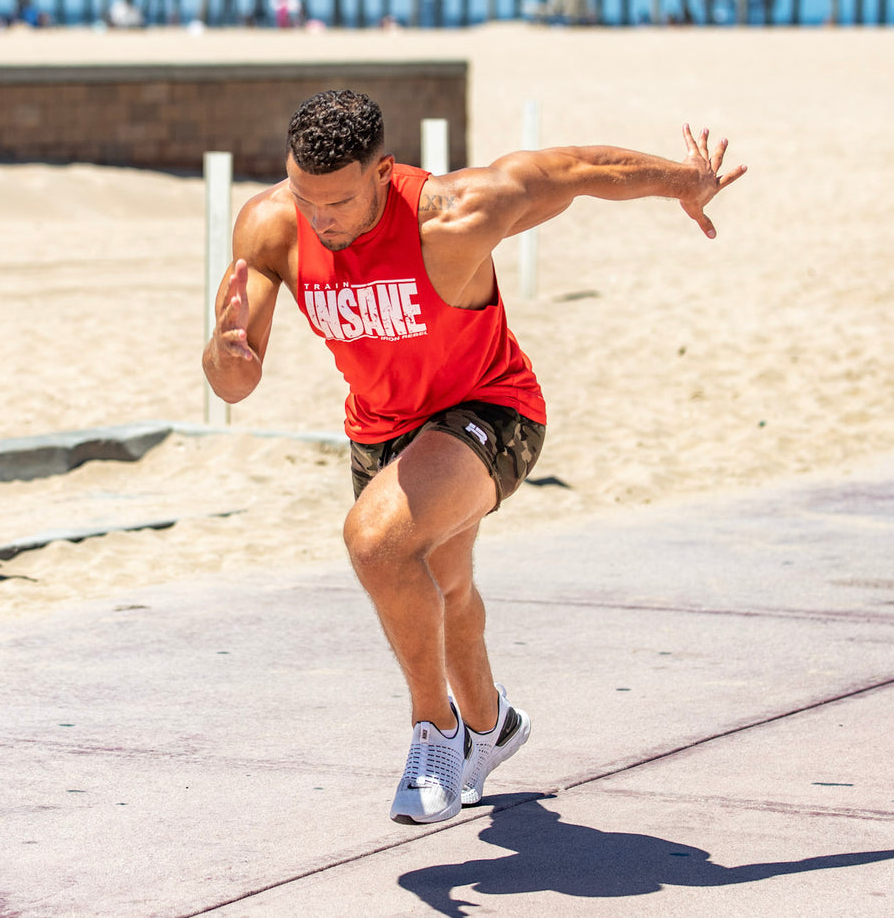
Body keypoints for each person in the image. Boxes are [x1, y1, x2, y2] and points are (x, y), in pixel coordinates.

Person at [202, 90, 746, 826]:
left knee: (374, 542)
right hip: (381, 431)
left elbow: (576, 168)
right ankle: (493, 728)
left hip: (491, 409)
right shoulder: (271, 226)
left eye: (338, 202)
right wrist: (224, 352)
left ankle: (437, 731)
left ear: (383, 172)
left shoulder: (455, 213)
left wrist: (683, 181)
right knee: (442, 588)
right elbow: (237, 381)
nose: (319, 218)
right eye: (306, 197)